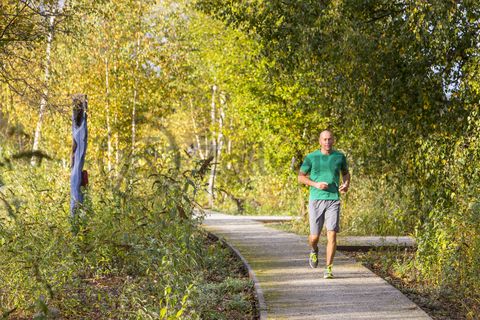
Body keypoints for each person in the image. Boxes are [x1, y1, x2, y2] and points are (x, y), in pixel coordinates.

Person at [298, 130, 350, 279]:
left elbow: (346, 173)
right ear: (320, 141)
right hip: (316, 199)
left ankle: (328, 268)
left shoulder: (339, 156)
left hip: (334, 199)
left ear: (333, 140)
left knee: (332, 233)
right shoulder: (311, 157)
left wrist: (346, 184)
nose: (327, 142)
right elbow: (300, 177)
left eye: (330, 139)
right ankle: (314, 250)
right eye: (324, 139)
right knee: (314, 237)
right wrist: (315, 184)